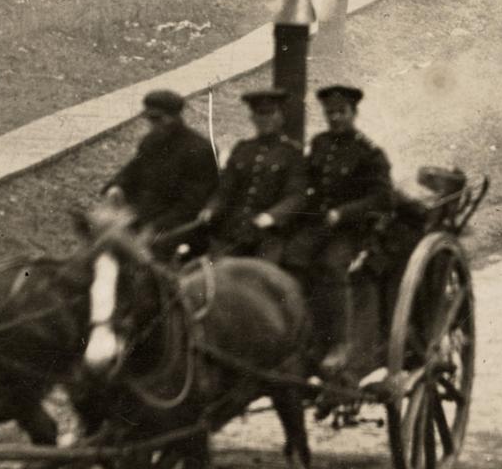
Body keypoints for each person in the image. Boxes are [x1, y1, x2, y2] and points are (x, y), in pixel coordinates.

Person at [301, 85, 393, 373]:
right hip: (319, 227)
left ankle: (340, 343)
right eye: (330, 113)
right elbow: (308, 182)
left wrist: (342, 213)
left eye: (341, 112)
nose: (336, 118)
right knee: (291, 259)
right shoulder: (319, 144)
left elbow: (381, 197)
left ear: (354, 113)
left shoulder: (368, 152)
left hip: (353, 232)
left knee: (331, 265)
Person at [104, 90, 220, 257]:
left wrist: (156, 227)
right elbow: (133, 169)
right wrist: (117, 186)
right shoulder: (151, 140)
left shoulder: (199, 149)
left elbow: (192, 205)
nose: (152, 125)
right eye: (149, 119)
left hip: (178, 226)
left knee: (134, 259)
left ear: (175, 117)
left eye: (157, 119)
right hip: (142, 216)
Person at [196, 89, 307, 262]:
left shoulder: (291, 153)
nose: (264, 119)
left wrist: (272, 216)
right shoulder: (242, 149)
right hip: (234, 230)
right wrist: (211, 208)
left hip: (269, 234)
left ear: (280, 116)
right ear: (252, 118)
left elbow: (296, 195)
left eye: (269, 113)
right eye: (259, 114)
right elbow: (225, 189)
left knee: (262, 277)